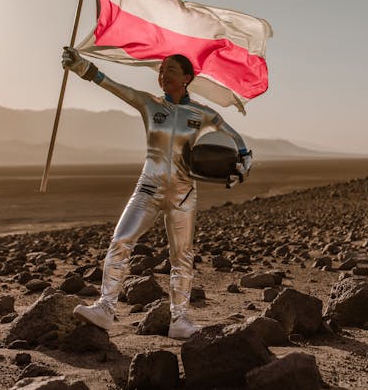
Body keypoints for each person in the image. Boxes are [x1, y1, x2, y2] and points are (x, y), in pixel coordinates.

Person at [61, 47, 252, 339]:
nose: (163, 75)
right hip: (148, 189)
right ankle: (105, 308)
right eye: (161, 70)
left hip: (183, 194)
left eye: (171, 70)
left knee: (182, 256)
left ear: (187, 78)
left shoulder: (201, 113)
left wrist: (244, 161)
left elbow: (235, 138)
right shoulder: (148, 104)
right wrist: (80, 66)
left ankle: (180, 321)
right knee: (121, 240)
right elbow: (111, 84)